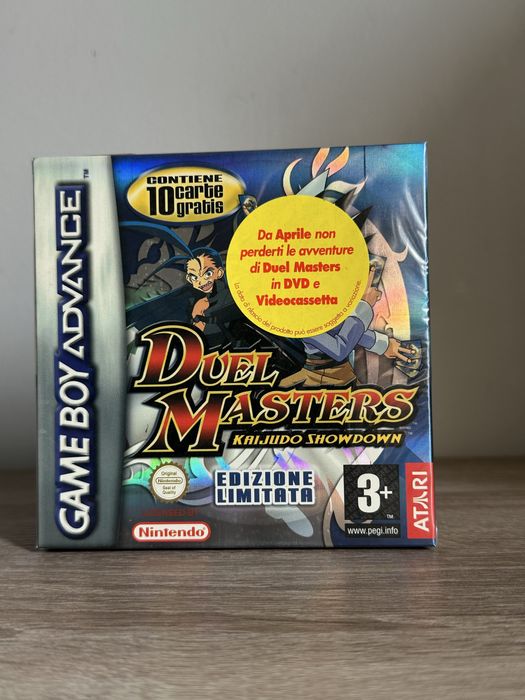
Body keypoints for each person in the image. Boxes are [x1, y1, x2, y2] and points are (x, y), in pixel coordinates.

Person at [280, 267, 415, 388]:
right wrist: (364, 305)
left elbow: (341, 330)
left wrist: (383, 344)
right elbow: (339, 349)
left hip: (342, 374)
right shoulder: (301, 318)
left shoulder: (328, 308)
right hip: (317, 376)